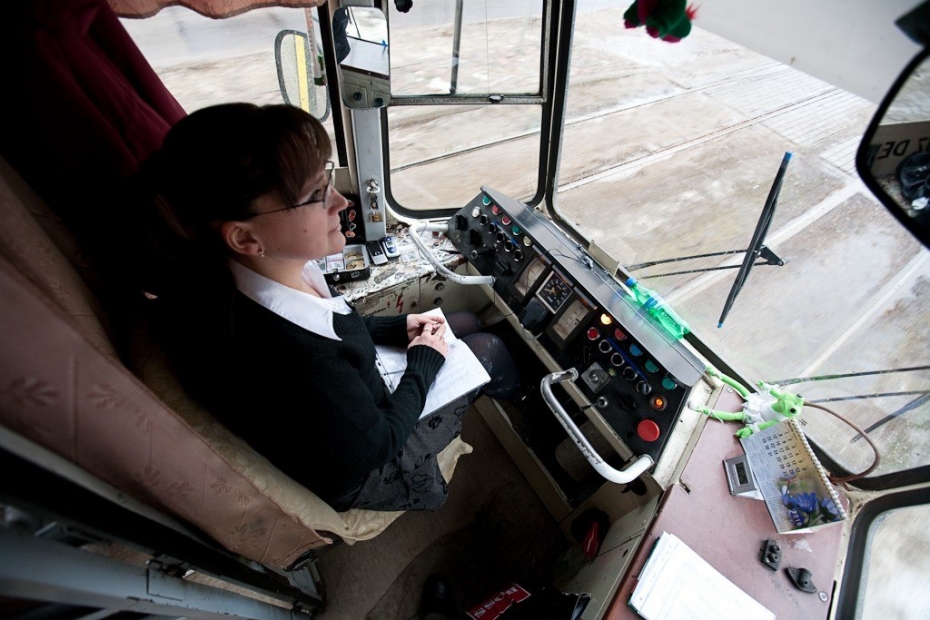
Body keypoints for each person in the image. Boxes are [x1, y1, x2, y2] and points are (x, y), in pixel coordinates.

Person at [132, 103, 520, 512]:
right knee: (487, 349)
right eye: (316, 195)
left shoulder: (261, 273)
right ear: (246, 239)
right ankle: (516, 391)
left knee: (465, 321)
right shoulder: (294, 360)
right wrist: (423, 363)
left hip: (347, 410)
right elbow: (378, 445)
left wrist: (399, 325)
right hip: (366, 464)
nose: (340, 202)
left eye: (327, 181)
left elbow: (334, 327)